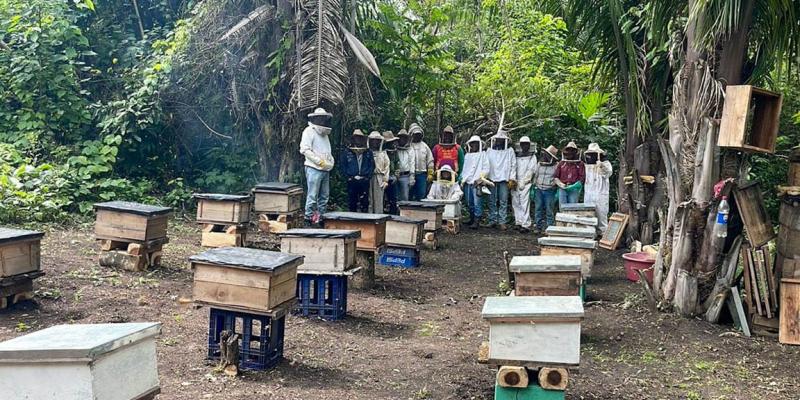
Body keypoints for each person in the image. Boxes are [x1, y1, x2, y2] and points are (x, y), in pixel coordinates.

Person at [299, 107, 335, 227]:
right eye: (320, 118)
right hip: (313, 168)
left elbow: (327, 151)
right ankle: (308, 219)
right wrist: (319, 161)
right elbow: (304, 150)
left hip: (325, 169)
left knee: (324, 196)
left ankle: (321, 219)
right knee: (312, 195)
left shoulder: (325, 134)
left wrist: (330, 161)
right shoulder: (308, 131)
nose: (322, 121)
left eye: (324, 119)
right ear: (315, 118)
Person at [486, 130, 516, 230]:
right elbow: (486, 164)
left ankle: (502, 221)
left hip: (504, 179)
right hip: (491, 178)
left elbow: (513, 165)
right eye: (498, 139)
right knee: (491, 200)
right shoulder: (489, 151)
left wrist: (512, 178)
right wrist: (485, 177)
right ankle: (492, 220)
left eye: (501, 140)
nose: (499, 141)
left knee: (503, 201)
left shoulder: (509, 151)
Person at [339, 129, 374, 212]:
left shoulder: (368, 152)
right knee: (352, 202)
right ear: (353, 139)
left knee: (365, 202)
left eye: (360, 138)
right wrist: (348, 177)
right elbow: (342, 165)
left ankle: (364, 218)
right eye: (356, 138)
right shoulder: (347, 152)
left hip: (364, 179)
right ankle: (352, 218)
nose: (358, 139)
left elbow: (372, 165)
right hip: (352, 179)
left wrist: (368, 177)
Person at [460, 135, 490, 229]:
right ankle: (472, 218)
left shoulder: (483, 154)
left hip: (477, 182)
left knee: (477, 202)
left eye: (476, 143)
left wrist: (480, 178)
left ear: (479, 144)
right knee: (469, 202)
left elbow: (486, 168)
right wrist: (462, 180)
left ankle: (477, 220)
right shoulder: (467, 155)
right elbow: (464, 169)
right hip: (467, 182)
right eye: (472, 143)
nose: (474, 145)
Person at [584, 142, 613, 234]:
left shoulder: (606, 163)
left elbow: (608, 173)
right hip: (589, 193)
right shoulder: (586, 165)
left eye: (593, 153)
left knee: (601, 214)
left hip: (601, 193)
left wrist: (601, 166)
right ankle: (590, 233)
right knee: (588, 214)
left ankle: (603, 234)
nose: (591, 156)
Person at [511, 136, 537, 233]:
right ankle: (518, 222)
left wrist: (524, 181)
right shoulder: (517, 155)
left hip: (526, 183)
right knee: (515, 202)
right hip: (516, 181)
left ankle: (526, 224)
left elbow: (531, 170)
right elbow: (513, 167)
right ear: (520, 145)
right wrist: (513, 179)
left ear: (529, 145)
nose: (524, 146)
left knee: (524, 203)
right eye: (523, 144)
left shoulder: (532, 156)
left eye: (526, 144)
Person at [533, 145, 559, 233]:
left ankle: (550, 227)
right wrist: (534, 186)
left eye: (548, 154)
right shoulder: (539, 164)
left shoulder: (556, 166)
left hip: (550, 190)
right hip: (539, 189)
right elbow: (536, 175)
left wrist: (555, 187)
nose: (545, 156)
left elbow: (557, 177)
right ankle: (538, 226)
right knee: (538, 208)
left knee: (549, 209)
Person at [554, 141, 585, 206]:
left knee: (572, 207)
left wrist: (575, 185)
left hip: (574, 189)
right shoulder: (562, 163)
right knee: (563, 207)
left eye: (572, 150)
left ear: (575, 152)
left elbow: (582, 177)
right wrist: (561, 185)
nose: (570, 152)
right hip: (562, 188)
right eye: (568, 150)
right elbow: (556, 176)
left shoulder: (580, 164)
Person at [409, 123, 433, 200]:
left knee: (421, 194)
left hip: (422, 174)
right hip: (409, 174)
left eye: (418, 134)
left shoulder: (425, 146)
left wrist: (430, 173)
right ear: (411, 135)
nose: (417, 136)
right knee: (409, 194)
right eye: (415, 134)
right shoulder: (408, 146)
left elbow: (430, 161)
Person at [368, 131, 390, 214]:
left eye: (377, 140)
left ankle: (378, 217)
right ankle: (369, 218)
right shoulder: (367, 153)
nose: (375, 142)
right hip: (368, 177)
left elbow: (387, 167)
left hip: (379, 178)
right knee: (369, 200)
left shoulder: (383, 154)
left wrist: (385, 180)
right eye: (373, 140)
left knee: (379, 200)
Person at [395, 129, 416, 202]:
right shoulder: (395, 149)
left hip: (406, 176)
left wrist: (412, 176)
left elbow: (412, 163)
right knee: (395, 196)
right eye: (401, 138)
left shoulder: (410, 149)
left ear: (407, 139)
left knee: (405, 197)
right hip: (396, 175)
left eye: (404, 138)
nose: (402, 139)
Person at [382, 131, 400, 214]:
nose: (390, 143)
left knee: (393, 200)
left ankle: (393, 216)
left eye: (391, 142)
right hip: (382, 179)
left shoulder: (395, 152)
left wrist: (396, 176)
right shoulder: (381, 152)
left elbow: (397, 165)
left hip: (392, 178)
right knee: (381, 199)